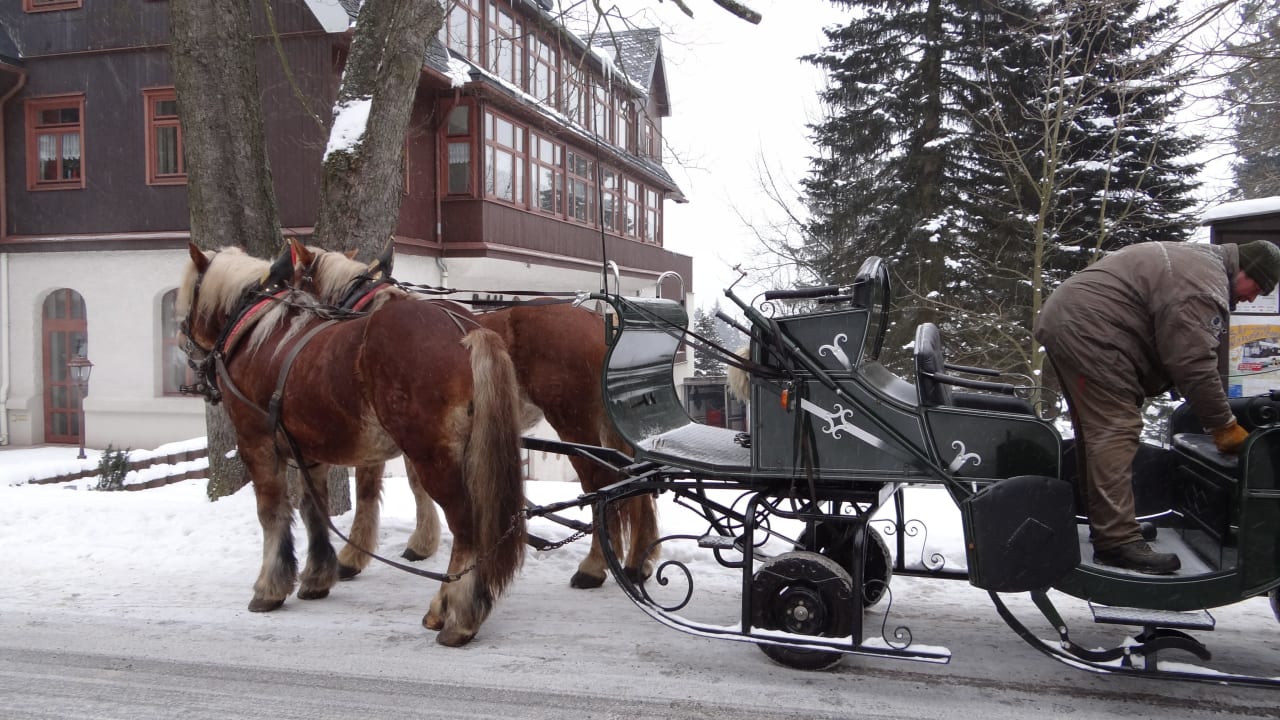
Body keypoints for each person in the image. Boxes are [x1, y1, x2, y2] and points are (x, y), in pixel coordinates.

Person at [1034, 240, 1280, 574]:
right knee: (1115, 430)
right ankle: (1117, 542)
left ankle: (1110, 525)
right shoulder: (1203, 286)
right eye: (1259, 287)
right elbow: (1193, 363)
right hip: (1091, 330)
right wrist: (1224, 427)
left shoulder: (1202, 268)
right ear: (1245, 270)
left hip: (1077, 322)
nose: (1253, 297)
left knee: (1098, 434)